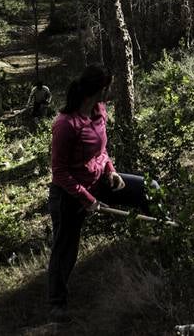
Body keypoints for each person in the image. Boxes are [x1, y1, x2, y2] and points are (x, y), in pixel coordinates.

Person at [47, 66, 151, 320]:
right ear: (99, 90)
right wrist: (87, 200)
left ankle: (169, 240)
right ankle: (57, 304)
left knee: (150, 190)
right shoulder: (66, 124)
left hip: (100, 181)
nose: (111, 91)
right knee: (65, 249)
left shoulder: (99, 111)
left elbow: (102, 151)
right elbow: (59, 172)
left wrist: (112, 171)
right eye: (108, 87)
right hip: (69, 196)